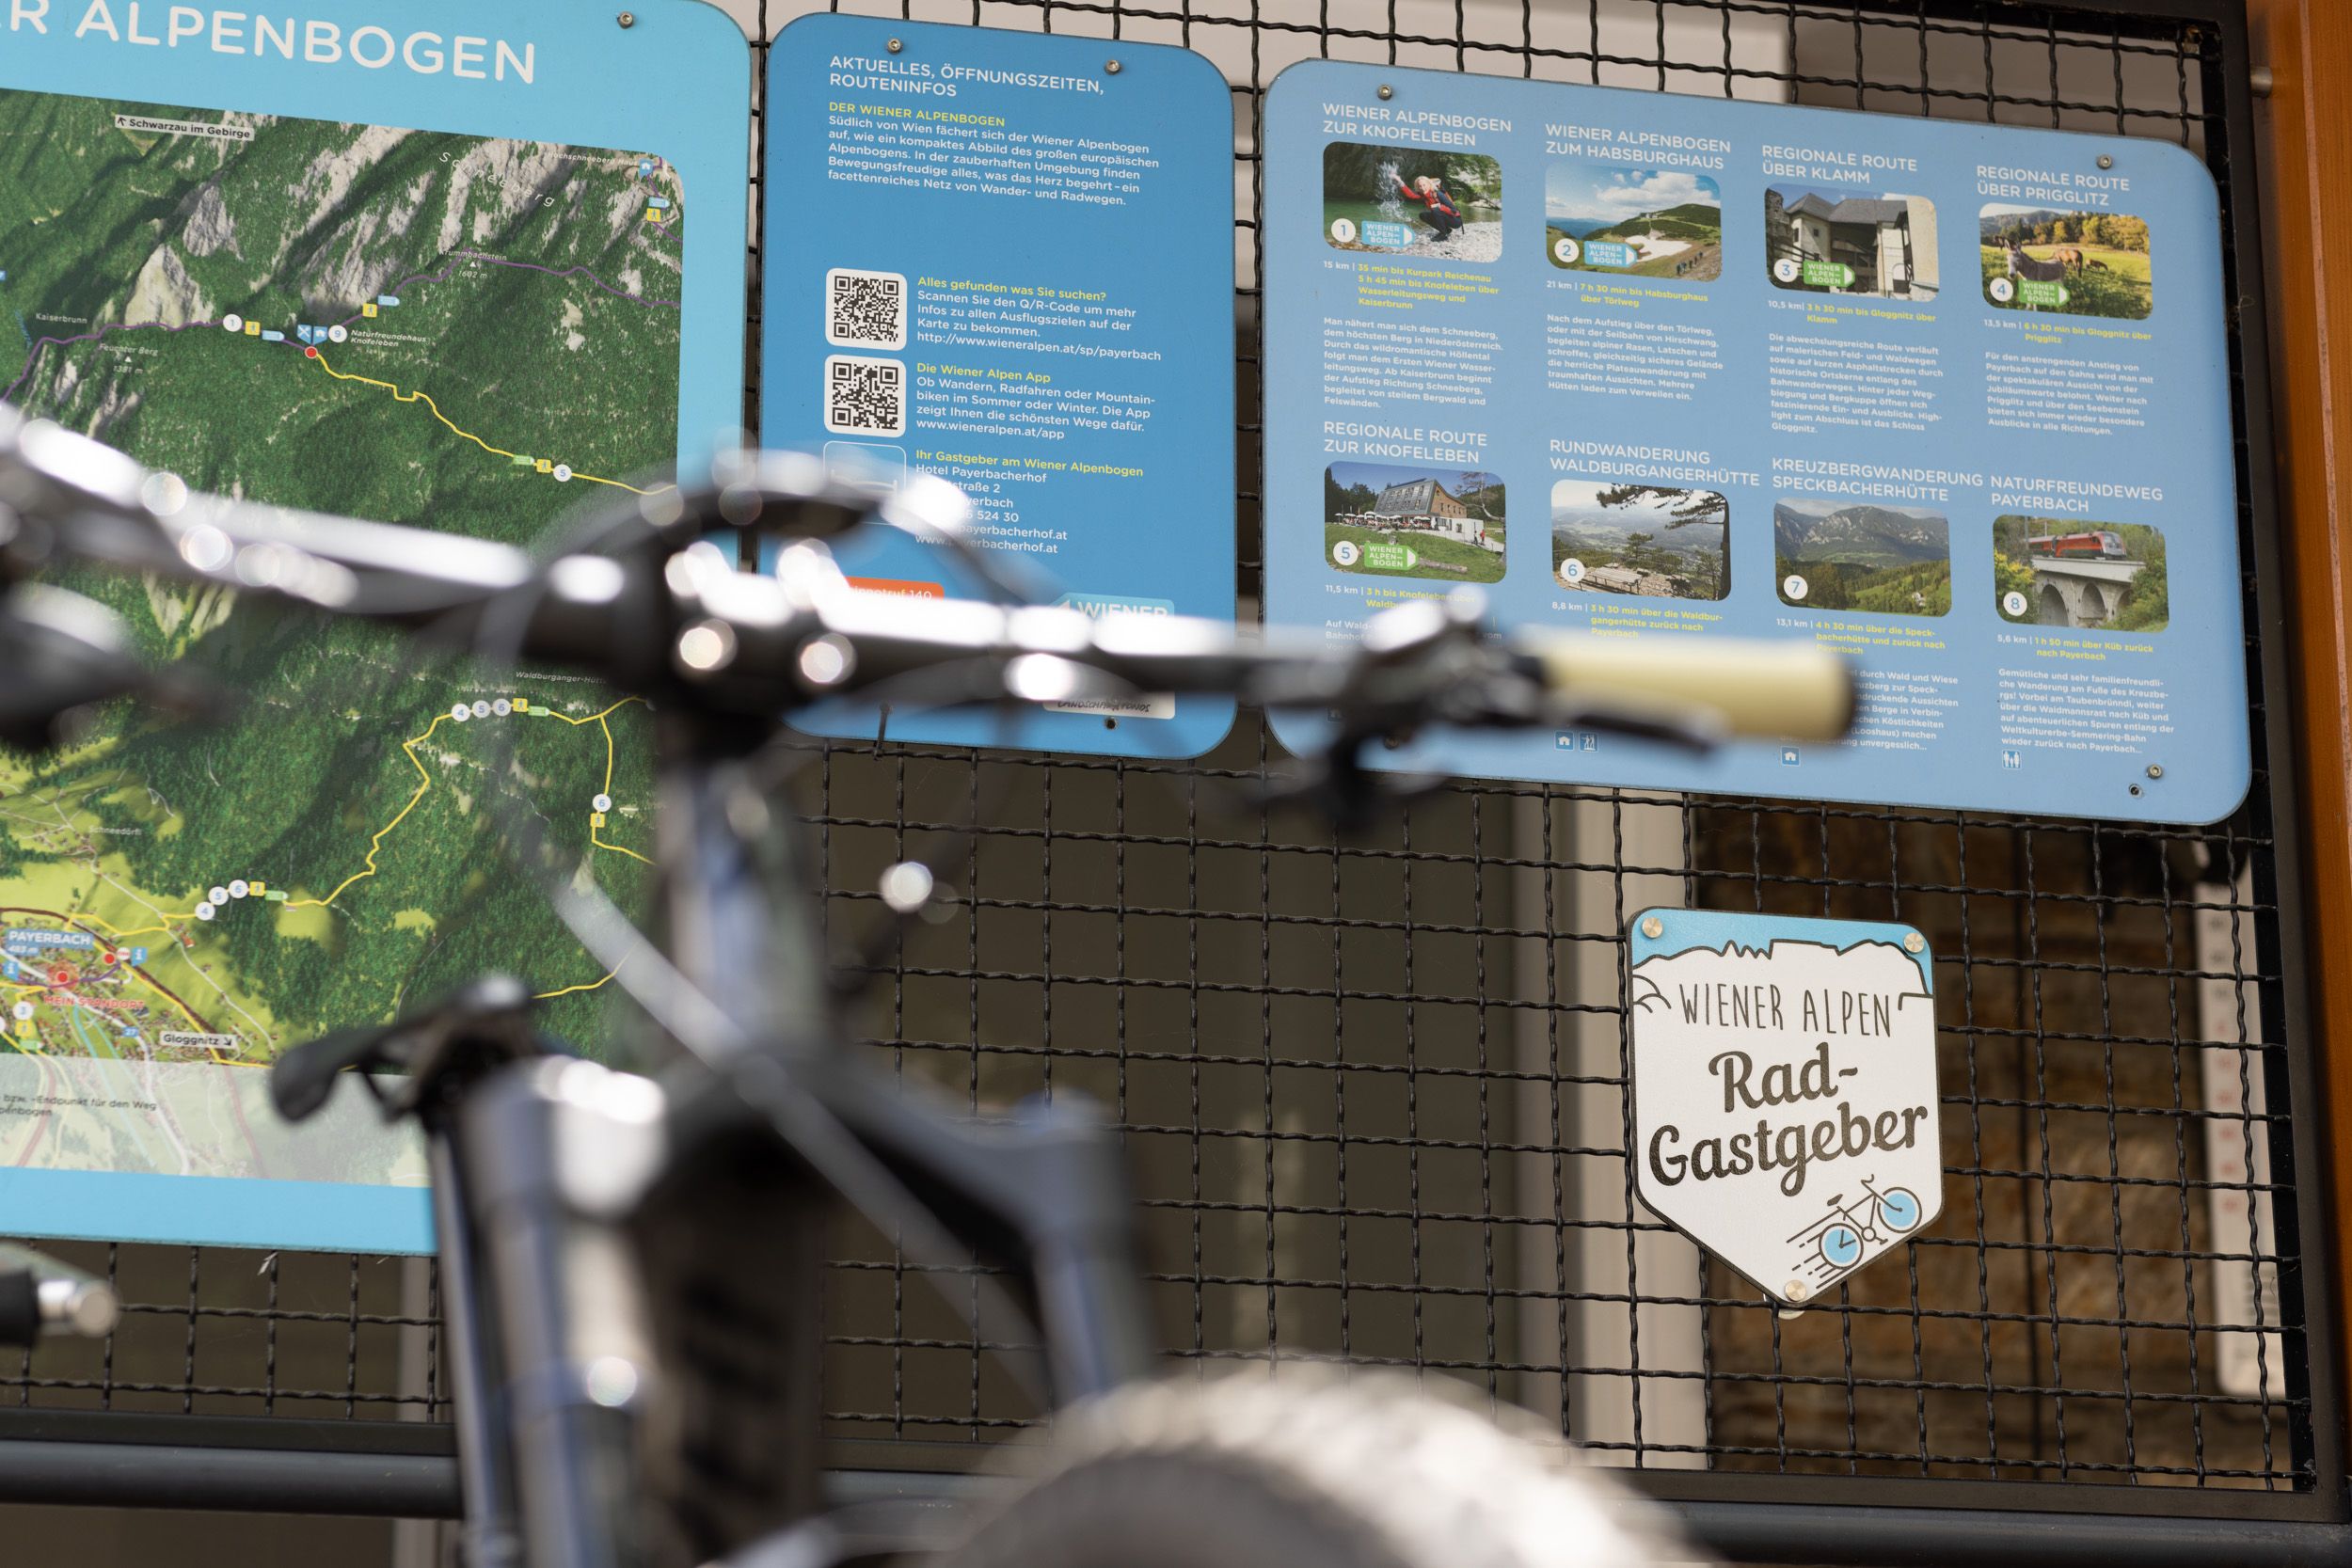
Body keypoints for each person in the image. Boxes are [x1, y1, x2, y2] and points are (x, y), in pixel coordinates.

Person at [1392, 172, 1463, 244]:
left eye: (1424, 185)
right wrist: (1400, 181)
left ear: (1429, 184)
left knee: (1435, 210)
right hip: (1444, 217)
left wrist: (1439, 207)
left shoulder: (1438, 194)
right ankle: (1446, 230)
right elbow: (1411, 195)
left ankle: (1443, 234)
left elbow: (1454, 211)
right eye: (1420, 186)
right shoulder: (1424, 196)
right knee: (1423, 215)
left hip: (1455, 220)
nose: (1422, 188)